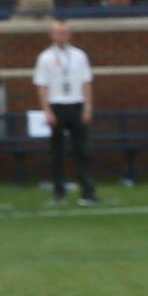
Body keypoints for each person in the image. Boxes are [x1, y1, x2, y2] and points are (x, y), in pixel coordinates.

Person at [33, 20, 96, 205]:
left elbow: (87, 83)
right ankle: (59, 193)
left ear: (69, 35)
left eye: (64, 32)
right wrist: (47, 111)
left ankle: (87, 192)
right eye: (58, 33)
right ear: (52, 36)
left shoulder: (79, 56)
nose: (62, 36)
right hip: (57, 106)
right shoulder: (45, 57)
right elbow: (42, 86)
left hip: (76, 105)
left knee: (82, 151)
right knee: (57, 153)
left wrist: (88, 107)